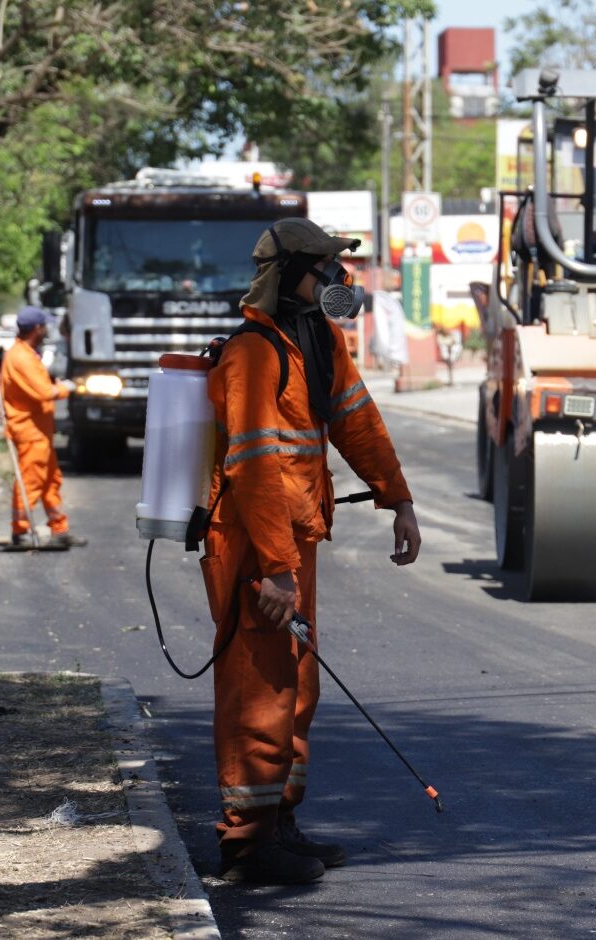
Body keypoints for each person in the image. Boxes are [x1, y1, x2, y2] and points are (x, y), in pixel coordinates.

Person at [203, 217, 421, 886]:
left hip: (293, 545)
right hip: (253, 548)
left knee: (297, 685)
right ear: (290, 274)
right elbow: (258, 469)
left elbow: (358, 420)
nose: (336, 279)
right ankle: (245, 843)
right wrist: (273, 568)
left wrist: (398, 498)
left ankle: (279, 822)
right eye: (323, 267)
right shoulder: (253, 353)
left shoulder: (315, 341)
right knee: (259, 688)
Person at [0, 306, 84, 551]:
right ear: (37, 328)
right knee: (30, 481)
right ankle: (21, 530)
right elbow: (43, 393)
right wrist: (67, 387)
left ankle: (59, 528)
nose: (47, 330)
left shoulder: (26, 353)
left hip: (40, 431)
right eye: (44, 326)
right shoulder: (21, 358)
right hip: (29, 431)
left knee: (50, 481)